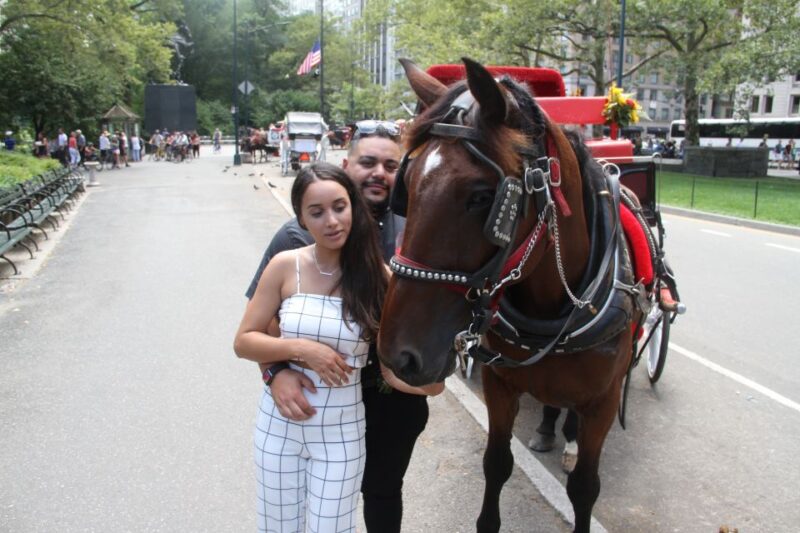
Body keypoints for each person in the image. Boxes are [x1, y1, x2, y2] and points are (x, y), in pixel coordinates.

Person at [245, 121, 432, 532]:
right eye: (368, 162)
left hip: (388, 400)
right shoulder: (293, 239)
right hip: (308, 396)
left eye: (390, 165)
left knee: (382, 493)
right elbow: (260, 322)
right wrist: (275, 373)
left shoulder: (418, 233)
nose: (378, 173)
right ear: (346, 166)